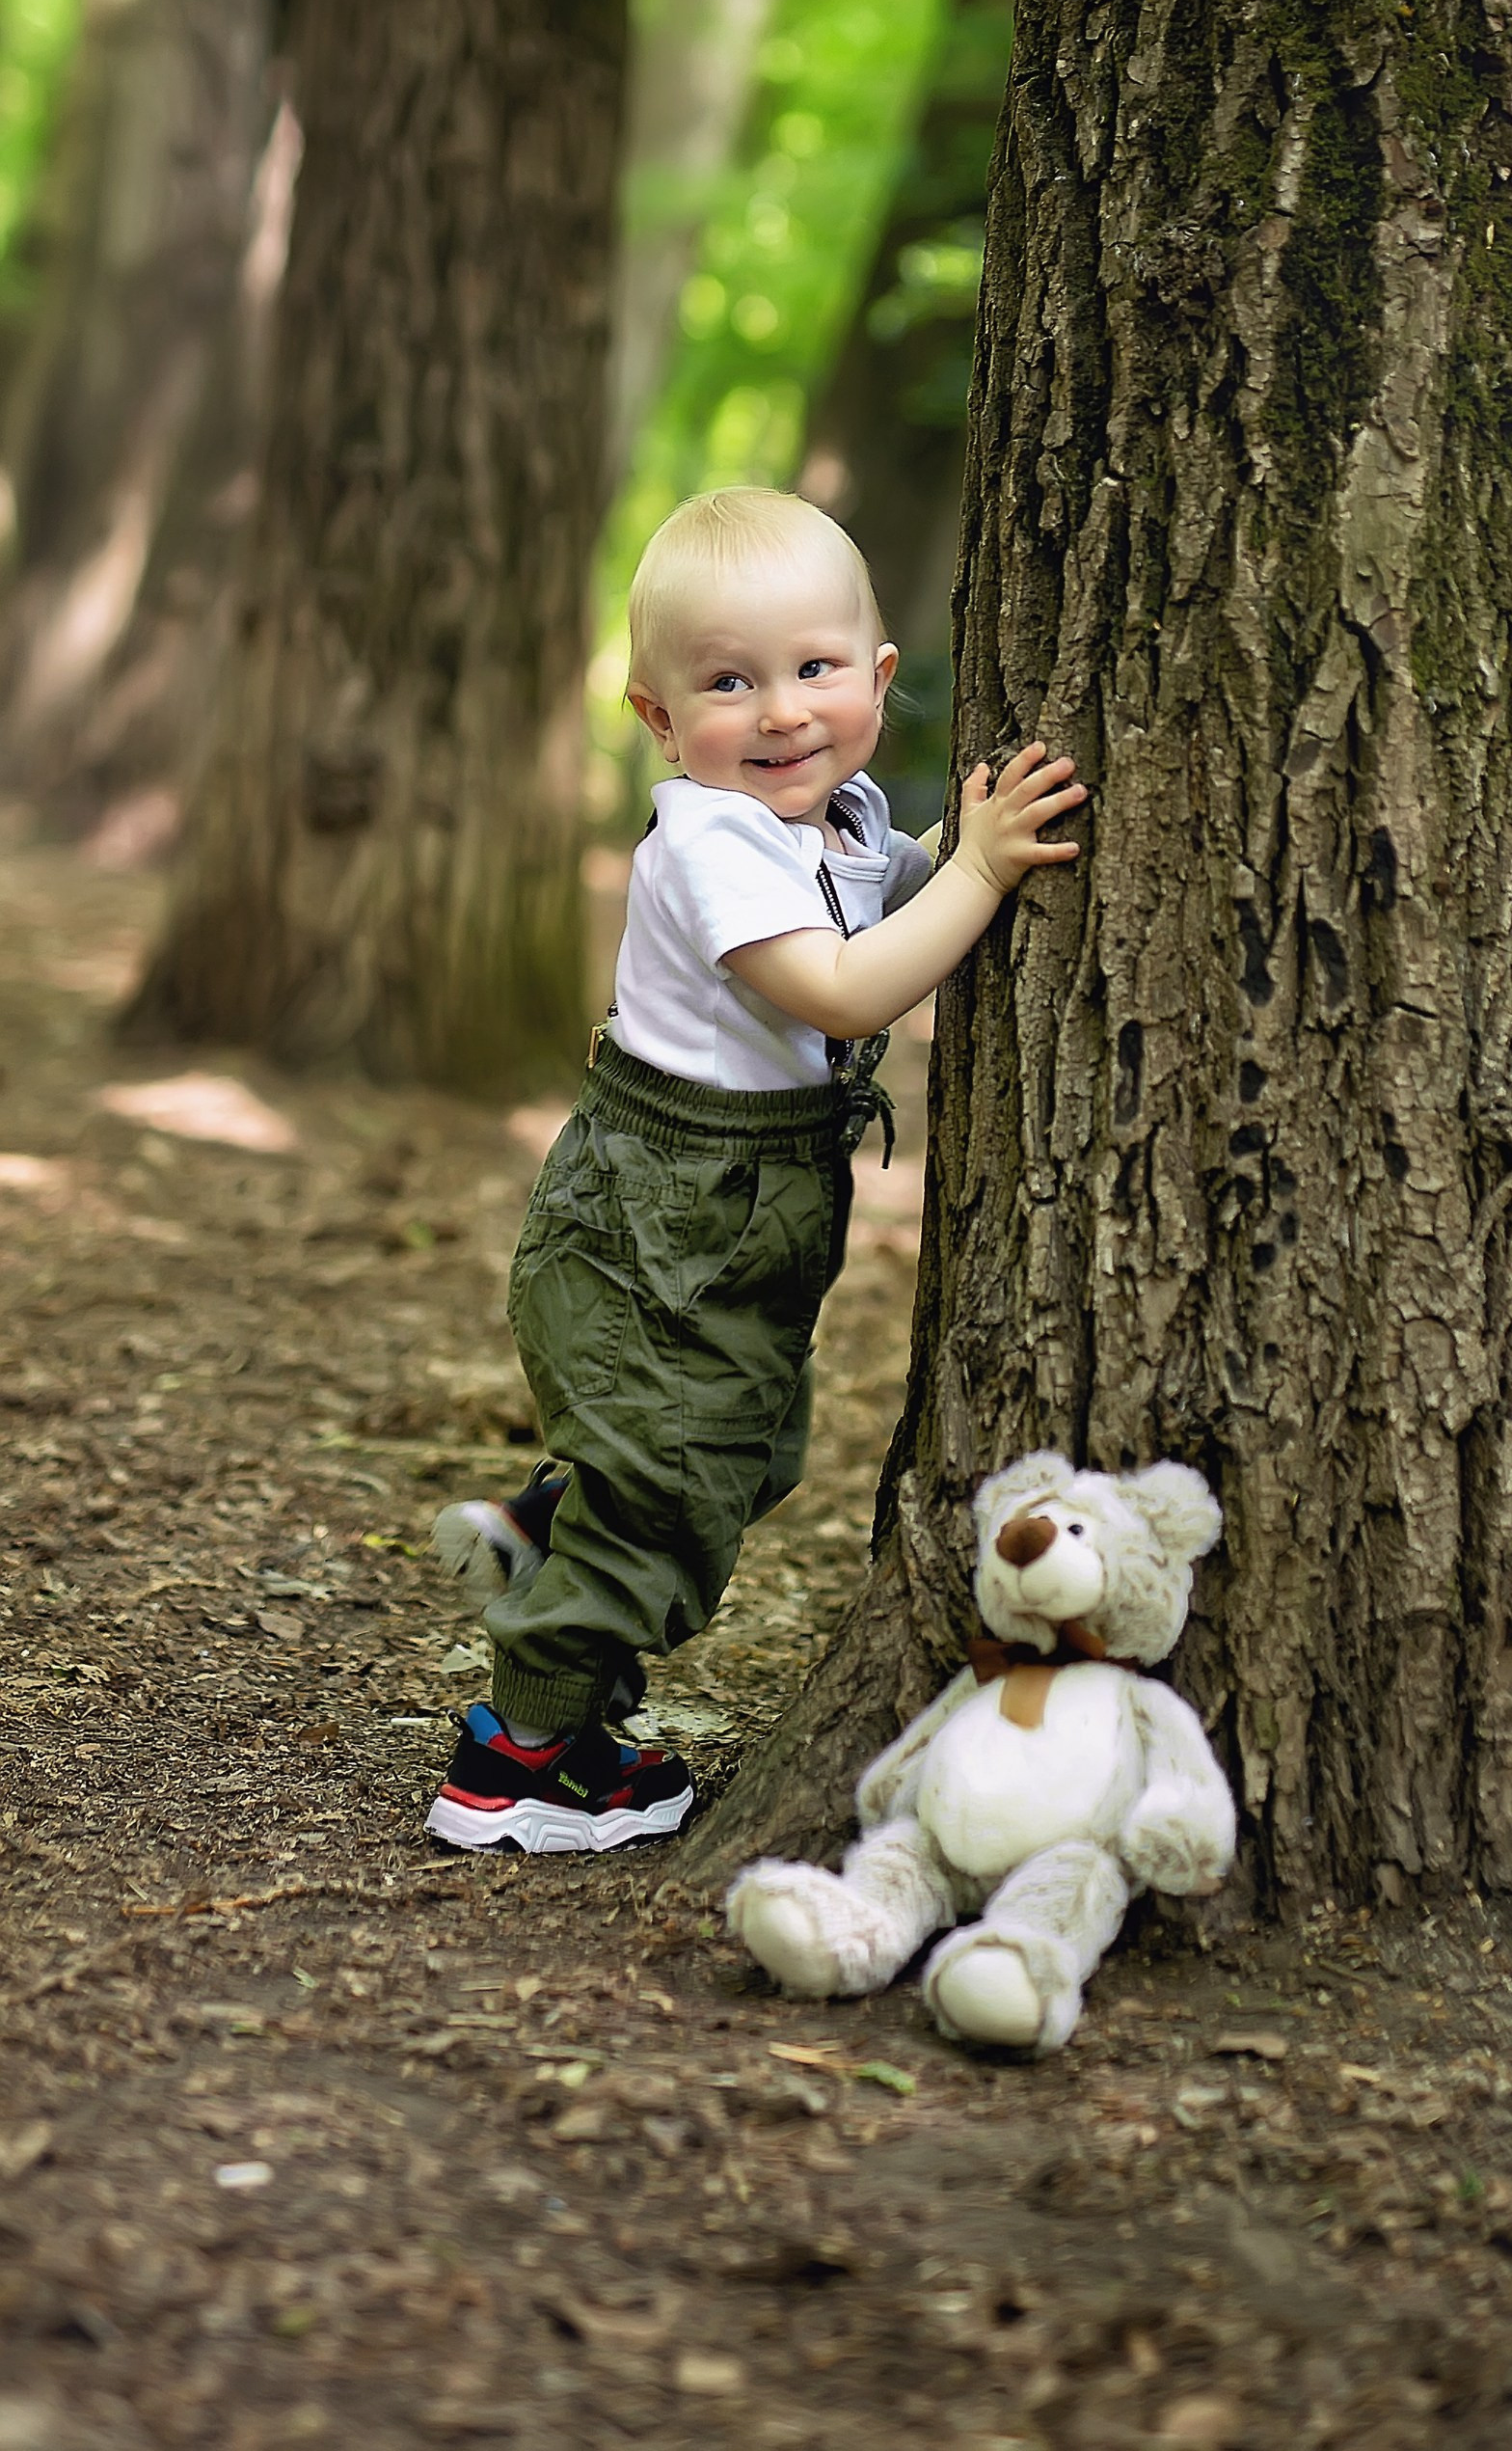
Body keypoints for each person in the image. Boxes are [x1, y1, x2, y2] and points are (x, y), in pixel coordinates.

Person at [423, 486, 1084, 1855]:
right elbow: (842, 991)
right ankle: (524, 1757)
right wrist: (989, 872)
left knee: (742, 1452)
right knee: (674, 1487)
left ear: (877, 677)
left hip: (734, 1215)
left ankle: (550, 1524)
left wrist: (946, 858)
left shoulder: (829, 818)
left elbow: (884, 892)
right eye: (729, 683)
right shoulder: (714, 839)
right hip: (666, 1212)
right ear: (658, 718)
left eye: (815, 670)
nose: (782, 711)